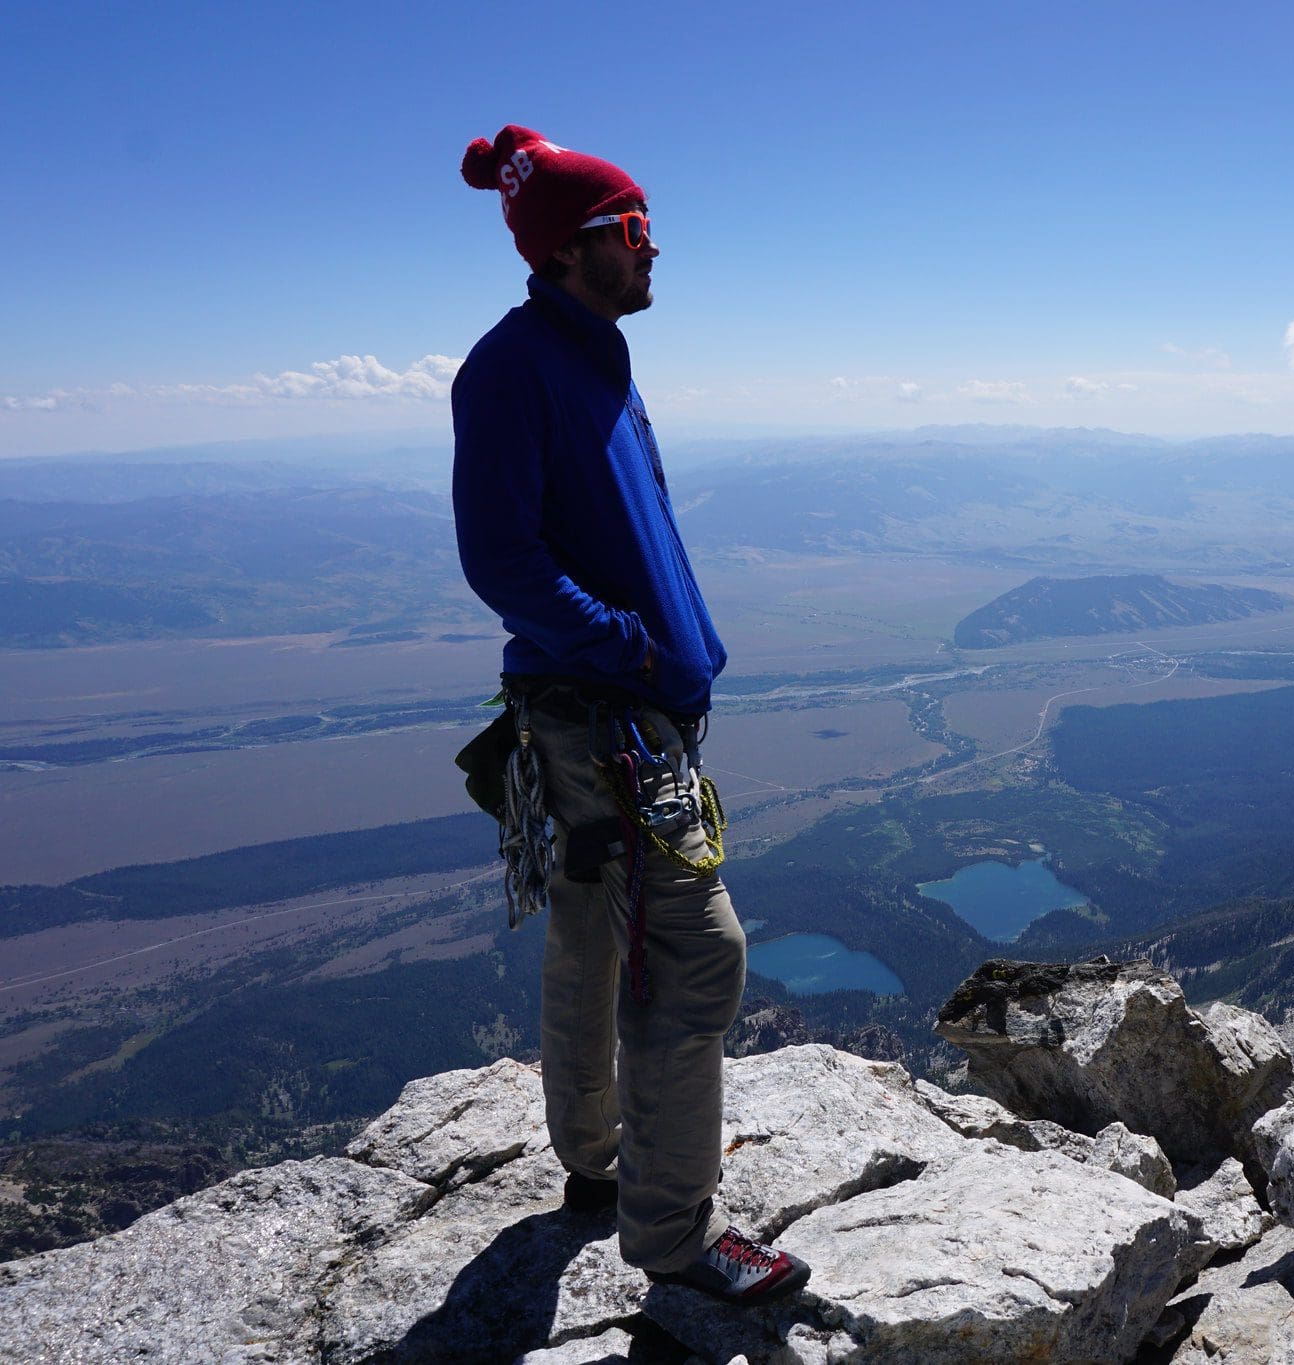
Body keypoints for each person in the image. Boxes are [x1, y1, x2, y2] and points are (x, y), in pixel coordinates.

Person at [450, 124, 808, 1305]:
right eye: (635, 232)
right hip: (610, 716)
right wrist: (636, 653)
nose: (655, 252)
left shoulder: (586, 354)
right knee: (700, 955)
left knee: (595, 921)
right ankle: (674, 1238)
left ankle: (596, 1168)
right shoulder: (513, 370)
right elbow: (503, 561)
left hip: (601, 706)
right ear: (570, 249)